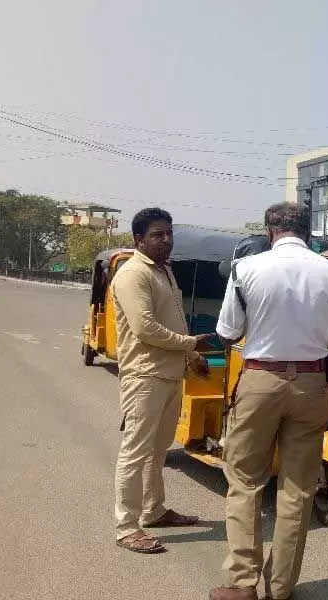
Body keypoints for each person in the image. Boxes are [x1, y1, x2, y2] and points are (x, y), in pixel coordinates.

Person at [210, 202, 328, 600]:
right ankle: (281, 588)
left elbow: (227, 332)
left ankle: (243, 584)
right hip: (312, 386)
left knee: (244, 482)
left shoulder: (247, 269)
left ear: (269, 230)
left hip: (260, 380)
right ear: (307, 232)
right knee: (297, 490)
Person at [111, 208, 213, 554]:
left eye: (168, 233)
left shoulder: (164, 272)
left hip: (170, 374)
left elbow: (176, 321)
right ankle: (127, 526)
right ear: (139, 239)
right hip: (144, 376)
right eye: (157, 235)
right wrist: (190, 345)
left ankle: (153, 511)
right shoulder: (132, 274)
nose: (165, 240)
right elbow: (145, 328)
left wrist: (191, 358)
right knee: (135, 453)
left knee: (157, 451)